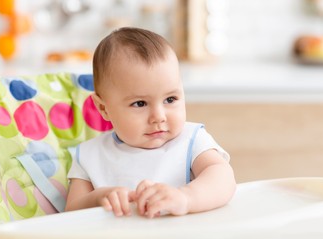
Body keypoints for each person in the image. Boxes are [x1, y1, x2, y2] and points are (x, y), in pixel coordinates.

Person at [65, 27, 236, 218]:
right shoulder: (89, 155)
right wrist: (98, 199)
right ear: (104, 108)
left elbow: (223, 177)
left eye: (170, 99)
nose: (159, 116)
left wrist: (186, 198)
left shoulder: (193, 140)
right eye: (140, 103)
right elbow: (71, 213)